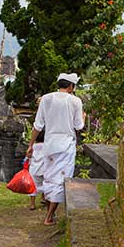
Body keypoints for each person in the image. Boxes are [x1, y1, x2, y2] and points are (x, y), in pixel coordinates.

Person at [26, 72, 84, 226]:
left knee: (49, 177)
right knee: (60, 180)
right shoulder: (75, 101)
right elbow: (79, 126)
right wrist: (83, 117)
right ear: (71, 86)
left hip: (49, 144)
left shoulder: (46, 98)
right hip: (66, 145)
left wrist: (31, 144)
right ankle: (49, 216)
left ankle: (48, 211)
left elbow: (38, 125)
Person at [28, 129, 46, 211]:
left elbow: (28, 157)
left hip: (34, 169)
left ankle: (32, 203)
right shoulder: (47, 146)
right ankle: (43, 197)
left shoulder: (33, 147)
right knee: (45, 184)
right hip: (44, 169)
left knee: (33, 187)